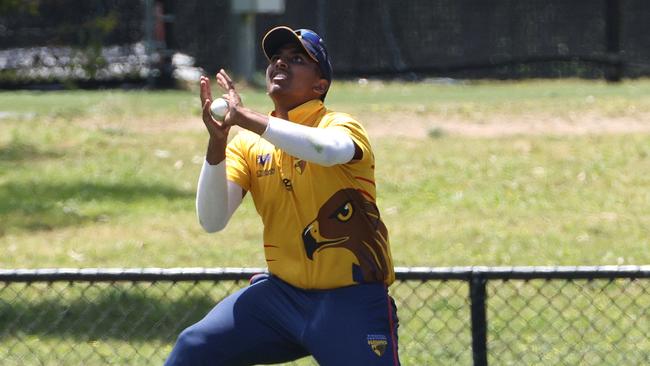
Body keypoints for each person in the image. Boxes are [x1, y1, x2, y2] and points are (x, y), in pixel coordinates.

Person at [165, 26, 400, 366]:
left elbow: (327, 151)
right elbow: (212, 220)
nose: (280, 63)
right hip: (280, 299)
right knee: (195, 346)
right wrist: (217, 142)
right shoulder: (248, 144)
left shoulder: (339, 125)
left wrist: (248, 118)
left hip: (350, 300)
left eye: (297, 59)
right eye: (275, 58)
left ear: (320, 85)